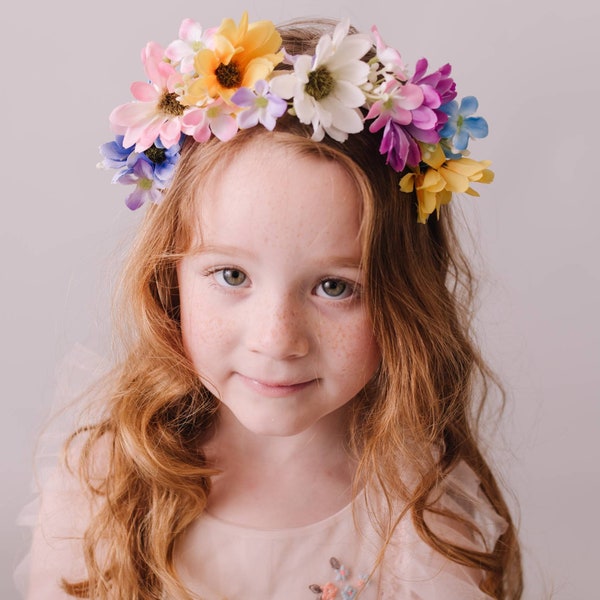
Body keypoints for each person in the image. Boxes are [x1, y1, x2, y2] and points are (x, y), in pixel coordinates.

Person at [22, 12, 523, 600]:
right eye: (232, 274)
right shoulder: (107, 487)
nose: (277, 339)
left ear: (402, 298)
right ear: (169, 277)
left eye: (335, 287)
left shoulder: (422, 526)